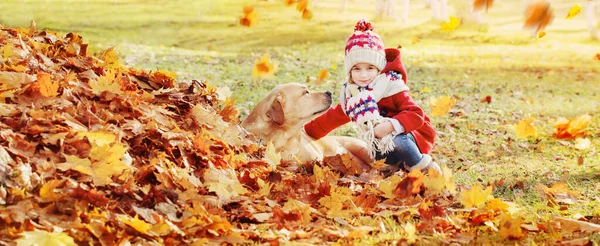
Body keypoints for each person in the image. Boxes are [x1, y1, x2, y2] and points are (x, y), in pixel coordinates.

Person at [303, 19, 441, 176]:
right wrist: (306, 132)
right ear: (349, 71)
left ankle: (423, 167)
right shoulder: (354, 96)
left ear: (379, 69)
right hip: (379, 138)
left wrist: (390, 126)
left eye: (370, 68)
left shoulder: (392, 87)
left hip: (411, 133)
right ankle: (388, 170)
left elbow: (416, 115)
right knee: (375, 145)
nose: (363, 75)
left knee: (396, 140)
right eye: (357, 69)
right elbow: (332, 118)